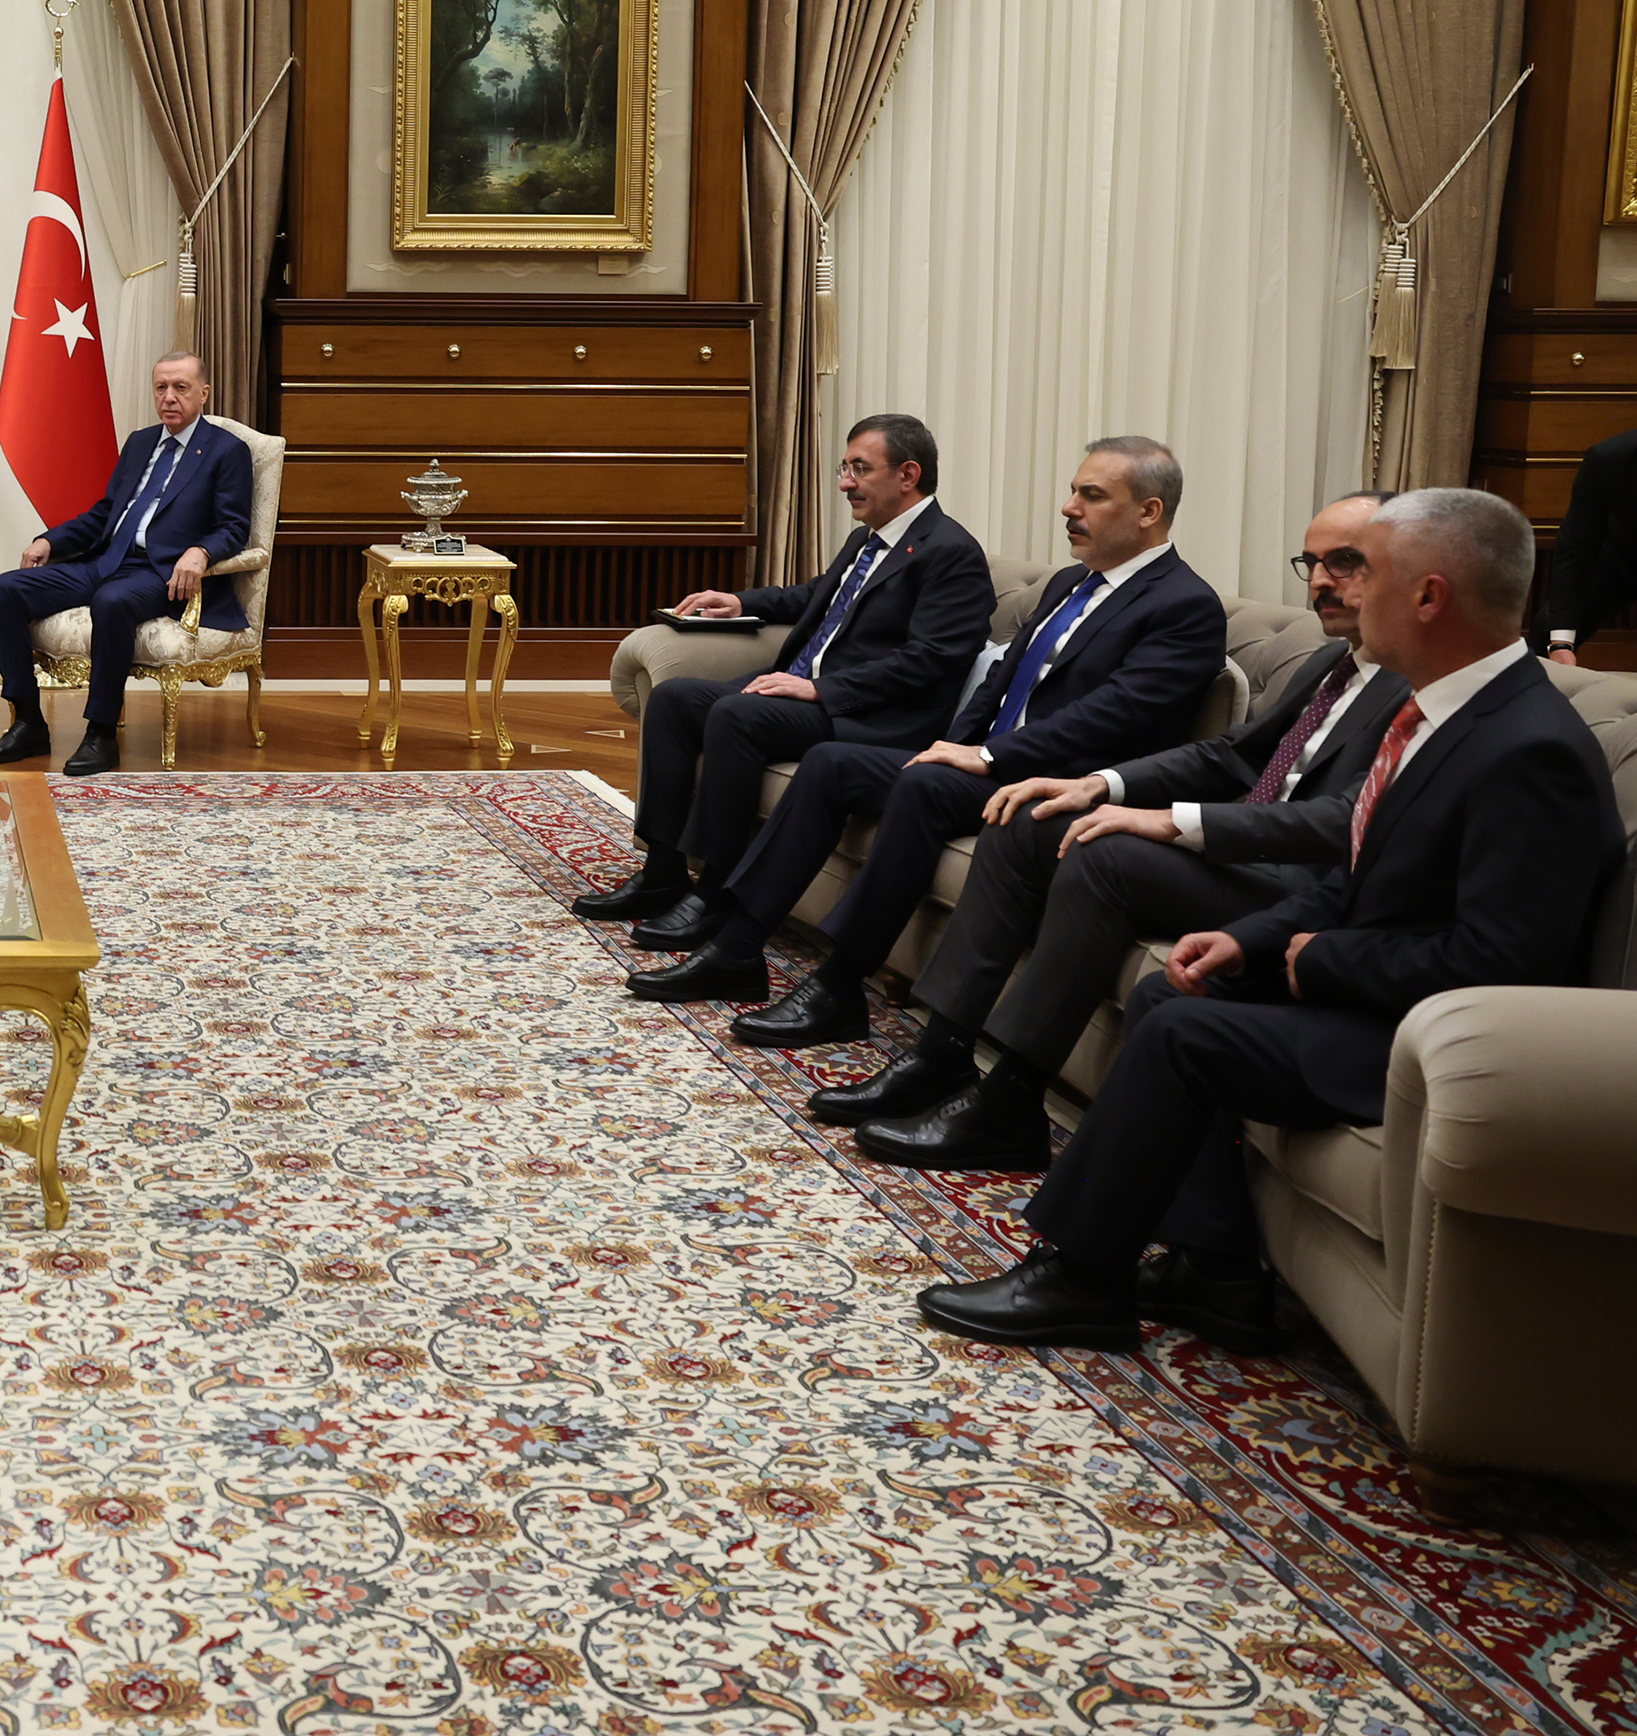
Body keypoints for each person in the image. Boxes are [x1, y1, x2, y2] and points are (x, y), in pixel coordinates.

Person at [920, 487, 1618, 1355]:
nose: (1346, 592)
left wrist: (1313, 960)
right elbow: (1361, 871)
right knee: (1173, 997)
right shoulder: (1446, 711)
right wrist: (1246, 940)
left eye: (1368, 573)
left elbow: (1499, 964)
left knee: (1185, 1035)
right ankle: (1217, 1275)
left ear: (1428, 596)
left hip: (1434, 1047)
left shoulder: (1528, 747)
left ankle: (1082, 1277)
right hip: (1378, 992)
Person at [816, 490, 1412, 1171]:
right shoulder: (1334, 662)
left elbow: (1348, 820)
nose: (1321, 581)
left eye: (1345, 562)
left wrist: (1172, 819)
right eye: (1312, 563)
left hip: (1305, 889)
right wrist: (1100, 785)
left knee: (1106, 858)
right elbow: (1231, 755)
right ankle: (939, 1055)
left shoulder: (1416, 685)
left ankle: (1010, 1103)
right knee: (1030, 819)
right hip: (1246, 858)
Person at [633, 437, 1229, 1047]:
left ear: (1149, 511)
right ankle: (738, 947)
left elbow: (1114, 715)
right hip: (984, 761)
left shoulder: (1185, 605)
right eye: (1074, 491)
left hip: (1057, 785)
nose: (1068, 507)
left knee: (922, 785)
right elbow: (1000, 681)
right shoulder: (1071, 583)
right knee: (832, 764)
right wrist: (957, 743)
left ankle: (839, 986)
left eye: (1092, 496)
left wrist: (987, 755)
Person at [574, 415, 991, 948]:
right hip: (804, 692)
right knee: (675, 699)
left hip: (866, 713)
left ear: (908, 474)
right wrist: (740, 601)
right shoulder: (868, 539)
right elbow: (819, 595)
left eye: (860, 469)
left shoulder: (950, 552)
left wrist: (820, 689)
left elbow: (934, 659)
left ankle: (718, 893)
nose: (845, 483)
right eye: (845, 468)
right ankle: (662, 873)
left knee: (737, 714)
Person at [0, 351, 253, 779]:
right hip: (106, 560)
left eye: (180, 388)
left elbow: (234, 526)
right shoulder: (141, 442)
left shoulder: (226, 450)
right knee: (4, 590)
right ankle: (28, 721)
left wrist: (200, 551)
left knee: (112, 601)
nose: (168, 397)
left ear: (204, 393)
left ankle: (101, 733)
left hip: (160, 572)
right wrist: (49, 540)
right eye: (161, 387)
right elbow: (106, 513)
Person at [1544, 424, 1637, 665]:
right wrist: (1561, 644)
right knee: (1545, 630)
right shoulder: (1609, 458)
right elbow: (1575, 548)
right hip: (1622, 558)